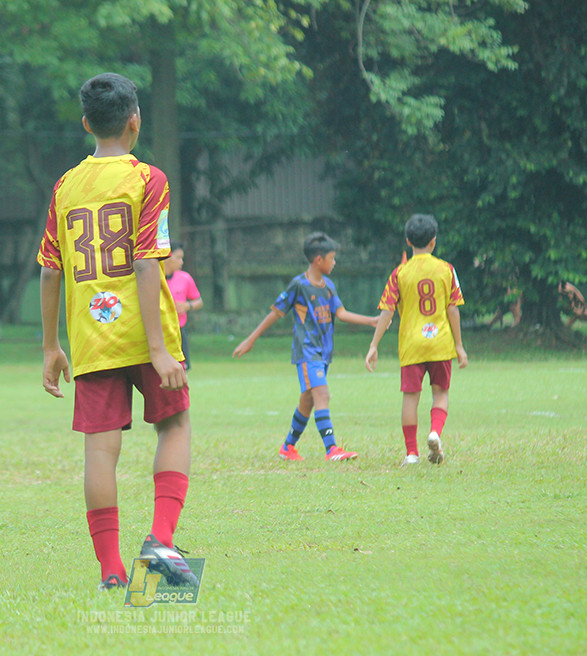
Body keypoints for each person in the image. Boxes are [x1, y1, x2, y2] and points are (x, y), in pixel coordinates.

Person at [37, 72, 197, 591]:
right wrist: (158, 350)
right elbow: (149, 265)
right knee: (174, 427)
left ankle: (111, 571)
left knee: (99, 452)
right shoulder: (149, 179)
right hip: (146, 335)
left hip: (91, 338)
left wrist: (50, 346)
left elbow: (49, 269)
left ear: (87, 124)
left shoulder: (65, 185)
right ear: (136, 121)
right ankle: (161, 543)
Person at [233, 232, 379, 461]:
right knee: (322, 394)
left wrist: (372, 321)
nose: (335, 262)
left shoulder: (328, 285)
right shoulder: (298, 285)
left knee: (307, 401)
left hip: (324, 352)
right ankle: (332, 449)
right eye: (332, 258)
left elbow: (341, 313)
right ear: (318, 260)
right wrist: (251, 339)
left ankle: (287, 447)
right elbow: (276, 313)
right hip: (307, 351)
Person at [365, 214, 468, 465]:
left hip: (411, 345)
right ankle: (435, 432)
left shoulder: (400, 273)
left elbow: (387, 311)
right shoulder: (447, 269)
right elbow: (453, 309)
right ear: (433, 242)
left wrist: (373, 345)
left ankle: (411, 453)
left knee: (410, 397)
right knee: (441, 393)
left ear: (408, 241)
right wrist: (459, 346)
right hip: (440, 343)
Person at [164, 241, 203, 370]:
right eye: (178, 258)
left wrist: (188, 306)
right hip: (159, 332)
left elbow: (199, 301)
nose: (181, 262)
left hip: (179, 332)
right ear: (167, 256)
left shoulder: (185, 278)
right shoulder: (154, 279)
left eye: (182, 258)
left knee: (182, 371)